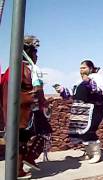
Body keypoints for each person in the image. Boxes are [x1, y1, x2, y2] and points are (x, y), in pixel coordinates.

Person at [1, 35, 51, 179]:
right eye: (35, 53)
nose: (36, 56)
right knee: (44, 131)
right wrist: (42, 102)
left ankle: (18, 170)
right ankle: (28, 158)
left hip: (14, 112)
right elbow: (35, 91)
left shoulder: (12, 69)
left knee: (20, 140)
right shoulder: (27, 69)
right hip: (26, 112)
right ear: (29, 52)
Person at [55, 60, 103, 163]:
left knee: (89, 131)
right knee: (81, 132)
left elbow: (98, 91)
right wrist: (61, 90)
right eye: (80, 68)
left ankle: (96, 153)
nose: (81, 70)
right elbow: (71, 94)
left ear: (90, 69)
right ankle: (88, 153)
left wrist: (89, 82)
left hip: (94, 111)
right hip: (81, 112)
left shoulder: (98, 78)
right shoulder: (79, 82)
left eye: (84, 68)